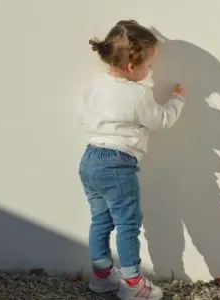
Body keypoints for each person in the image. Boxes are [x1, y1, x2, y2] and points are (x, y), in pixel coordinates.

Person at [79, 20, 186, 300]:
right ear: (131, 67)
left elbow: (84, 116)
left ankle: (102, 277)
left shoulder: (96, 85)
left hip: (90, 158)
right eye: (149, 66)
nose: (150, 72)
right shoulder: (138, 95)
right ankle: (133, 284)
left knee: (100, 221)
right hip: (117, 162)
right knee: (127, 224)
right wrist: (177, 100)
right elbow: (160, 120)